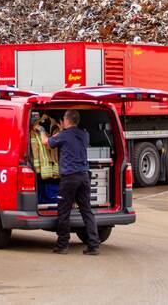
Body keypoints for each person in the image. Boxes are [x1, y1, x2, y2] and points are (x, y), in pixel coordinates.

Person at [43, 109, 99, 255]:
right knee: (87, 211)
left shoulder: (63, 136)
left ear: (66, 120)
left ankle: (62, 245)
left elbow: (46, 143)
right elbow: (72, 139)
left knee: (64, 211)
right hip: (84, 176)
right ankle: (94, 245)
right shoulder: (84, 135)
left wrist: (41, 130)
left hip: (69, 179)